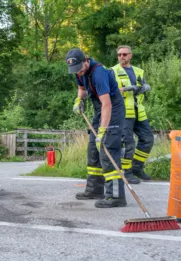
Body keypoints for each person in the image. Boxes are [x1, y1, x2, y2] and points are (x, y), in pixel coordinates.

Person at [66, 48, 127, 208]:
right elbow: (82, 88)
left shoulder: (98, 73)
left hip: (112, 109)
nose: (78, 73)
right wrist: (79, 100)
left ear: (86, 60)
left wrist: (103, 131)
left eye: (80, 69)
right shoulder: (79, 72)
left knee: (108, 149)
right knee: (93, 148)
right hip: (99, 110)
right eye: (75, 71)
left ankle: (116, 196)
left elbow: (107, 104)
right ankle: (95, 189)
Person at [111, 45, 154, 184]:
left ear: (130, 55)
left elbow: (145, 85)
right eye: (119, 55)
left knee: (148, 139)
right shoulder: (113, 71)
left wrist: (144, 88)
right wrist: (128, 88)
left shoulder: (138, 71)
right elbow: (110, 91)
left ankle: (137, 167)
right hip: (123, 112)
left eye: (124, 54)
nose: (121, 57)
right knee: (129, 144)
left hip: (138, 111)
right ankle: (127, 172)